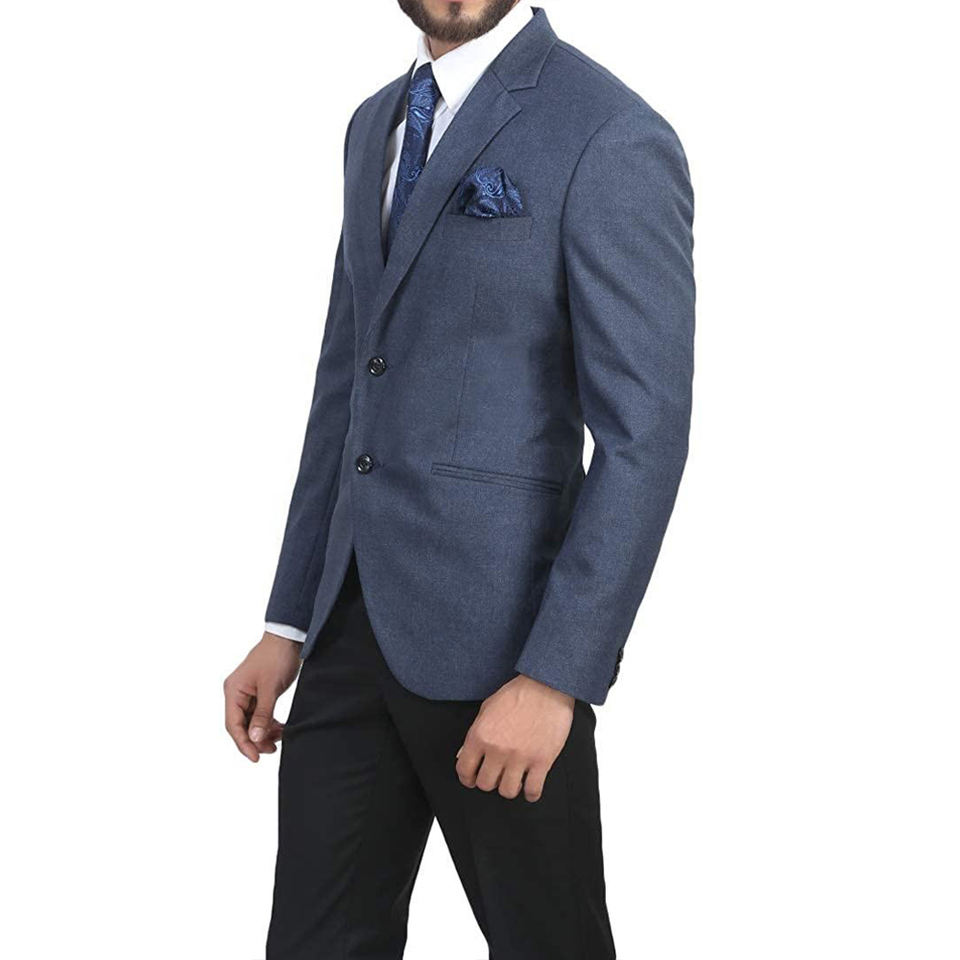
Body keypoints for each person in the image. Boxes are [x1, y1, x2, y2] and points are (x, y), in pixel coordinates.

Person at [223, 2, 695, 956]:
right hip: (349, 628)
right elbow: (348, 383)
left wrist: (556, 677)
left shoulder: (610, 131)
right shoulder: (374, 124)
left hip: (503, 650)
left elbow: (645, 436)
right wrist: (289, 620)